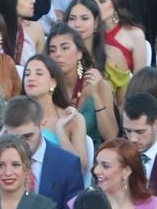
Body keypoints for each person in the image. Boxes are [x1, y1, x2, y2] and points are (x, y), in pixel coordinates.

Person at [0, 97, 82, 209]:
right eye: (15, 138)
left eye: (27, 137)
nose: (22, 145)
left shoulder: (67, 165)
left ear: (41, 124)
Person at [43, 22, 116, 151]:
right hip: (54, 154)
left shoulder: (98, 85)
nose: (57, 54)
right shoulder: (44, 86)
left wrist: (96, 96)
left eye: (65, 48)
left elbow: (111, 136)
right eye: (52, 50)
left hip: (95, 159)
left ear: (79, 53)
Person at [18, 53, 88, 173]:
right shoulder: (16, 115)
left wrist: (60, 130)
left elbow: (80, 167)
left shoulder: (73, 119)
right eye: (27, 74)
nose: (31, 78)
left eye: (39, 73)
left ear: (53, 82)